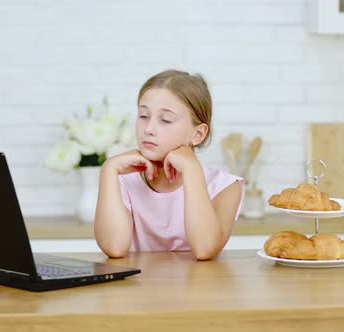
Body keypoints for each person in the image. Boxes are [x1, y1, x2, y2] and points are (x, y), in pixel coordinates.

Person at [94, 70, 244, 260]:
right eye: (143, 116)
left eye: (165, 120)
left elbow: (205, 249)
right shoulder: (122, 181)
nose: (148, 129)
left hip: (199, 289)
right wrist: (109, 169)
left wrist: (191, 170)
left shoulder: (225, 187)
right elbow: (114, 248)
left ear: (198, 134)